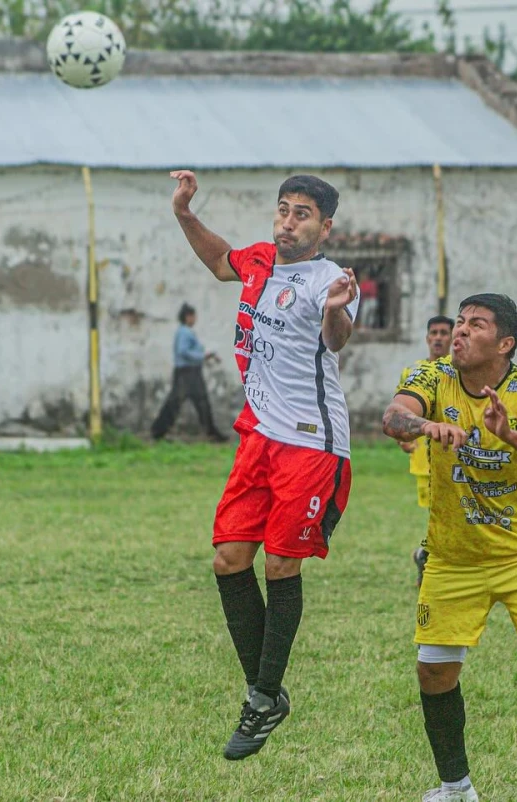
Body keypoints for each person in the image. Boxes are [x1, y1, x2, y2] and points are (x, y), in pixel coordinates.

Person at [170, 169, 360, 761]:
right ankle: (267, 692)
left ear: (324, 226)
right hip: (258, 436)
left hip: (311, 444)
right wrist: (184, 214)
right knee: (229, 560)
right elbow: (221, 259)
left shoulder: (328, 279)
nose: (288, 220)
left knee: (281, 565)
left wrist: (335, 310)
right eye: (283, 209)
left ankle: (261, 696)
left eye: (302, 213)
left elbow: (337, 338)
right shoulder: (257, 261)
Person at [382, 294, 517, 802]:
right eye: (458, 322)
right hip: (454, 556)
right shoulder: (432, 377)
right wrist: (422, 425)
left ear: (504, 343)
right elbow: (393, 417)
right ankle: (455, 788)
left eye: (474, 325)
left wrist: (510, 433)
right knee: (434, 671)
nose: (459, 332)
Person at [398, 315, 454, 587]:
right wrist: (403, 439)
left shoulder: (460, 372)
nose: (439, 337)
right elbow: (400, 413)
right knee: (441, 515)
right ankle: (431, 560)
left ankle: (430, 558)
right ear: (427, 338)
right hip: (425, 462)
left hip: (456, 459)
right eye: (434, 332)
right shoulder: (414, 373)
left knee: (453, 514)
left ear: (454, 337)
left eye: (444, 332)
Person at [150, 303, 228, 442]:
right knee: (186, 402)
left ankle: (159, 430)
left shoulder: (184, 331)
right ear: (188, 317)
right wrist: (202, 356)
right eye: (193, 316)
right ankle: (158, 430)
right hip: (187, 373)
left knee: (194, 402)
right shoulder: (185, 332)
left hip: (189, 372)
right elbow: (183, 351)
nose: (195, 319)